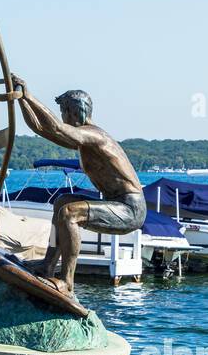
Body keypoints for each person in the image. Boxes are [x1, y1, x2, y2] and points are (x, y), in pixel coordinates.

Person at [12, 81, 146, 298]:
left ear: (71, 111)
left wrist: (30, 95)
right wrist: (22, 100)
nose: (62, 117)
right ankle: (48, 265)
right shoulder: (83, 140)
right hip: (115, 202)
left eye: (63, 111)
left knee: (70, 212)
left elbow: (55, 126)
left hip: (130, 209)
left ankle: (67, 280)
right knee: (62, 201)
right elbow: (40, 128)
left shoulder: (93, 135)